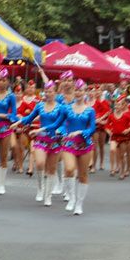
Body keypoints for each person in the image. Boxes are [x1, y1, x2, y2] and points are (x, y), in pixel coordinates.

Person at [18, 80, 67, 206]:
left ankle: (48, 195)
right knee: (39, 163)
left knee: (51, 169)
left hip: (55, 140)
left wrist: (60, 131)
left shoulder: (61, 108)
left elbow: (63, 124)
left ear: (55, 93)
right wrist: (17, 122)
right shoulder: (39, 106)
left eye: (51, 91)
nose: (48, 94)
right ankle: (40, 188)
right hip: (41, 139)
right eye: (46, 91)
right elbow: (29, 119)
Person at [58, 79, 96, 215]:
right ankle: (71, 197)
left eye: (81, 90)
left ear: (85, 92)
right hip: (69, 144)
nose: (79, 92)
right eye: (77, 90)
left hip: (84, 145)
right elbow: (61, 123)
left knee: (83, 175)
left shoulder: (90, 110)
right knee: (69, 169)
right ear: (73, 92)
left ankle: (79, 203)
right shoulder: (67, 108)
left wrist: (81, 132)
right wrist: (61, 131)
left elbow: (92, 128)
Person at [106, 95, 130, 179]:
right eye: (116, 105)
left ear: (122, 106)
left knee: (122, 155)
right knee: (113, 151)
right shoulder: (111, 115)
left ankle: (123, 171)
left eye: (119, 105)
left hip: (123, 137)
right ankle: (114, 168)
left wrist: (128, 130)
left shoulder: (126, 115)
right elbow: (107, 126)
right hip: (114, 136)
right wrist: (109, 132)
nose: (117, 107)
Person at [86, 83, 110, 173]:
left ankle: (102, 162)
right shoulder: (91, 102)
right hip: (94, 126)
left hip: (102, 126)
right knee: (94, 145)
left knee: (101, 145)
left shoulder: (103, 102)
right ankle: (93, 165)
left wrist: (101, 120)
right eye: (96, 91)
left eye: (99, 91)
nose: (97, 92)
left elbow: (107, 113)